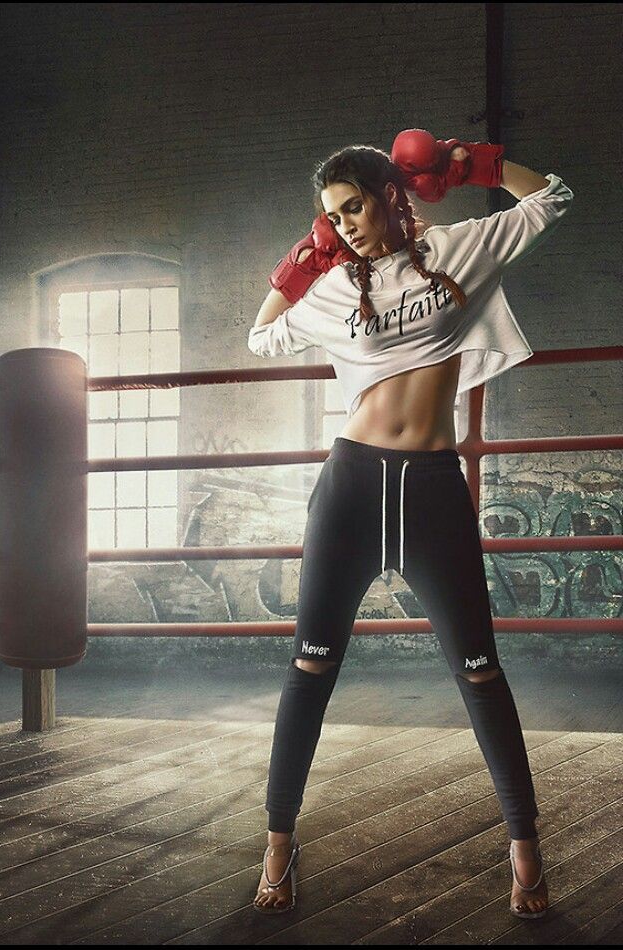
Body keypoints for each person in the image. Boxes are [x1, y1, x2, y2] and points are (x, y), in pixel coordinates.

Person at [247, 134, 574, 918]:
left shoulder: (462, 248)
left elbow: (553, 197)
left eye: (354, 205)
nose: (346, 225)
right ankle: (278, 845)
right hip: (352, 486)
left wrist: (478, 168)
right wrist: (296, 267)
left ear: (391, 194)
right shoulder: (331, 289)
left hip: (430, 488)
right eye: (332, 216)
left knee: (480, 671)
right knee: (311, 668)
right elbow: (261, 336)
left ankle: (526, 850)